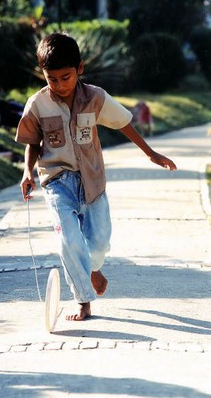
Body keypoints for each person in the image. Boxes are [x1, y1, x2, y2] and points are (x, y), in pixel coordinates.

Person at [15, 32, 177, 321]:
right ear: (43, 75)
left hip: (92, 180)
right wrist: (28, 172)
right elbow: (33, 143)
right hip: (56, 181)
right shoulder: (37, 105)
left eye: (66, 77)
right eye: (52, 79)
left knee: (100, 242)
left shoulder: (96, 98)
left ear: (80, 68)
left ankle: (93, 267)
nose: (59, 85)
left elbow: (124, 123)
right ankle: (83, 300)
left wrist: (150, 153)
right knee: (69, 240)